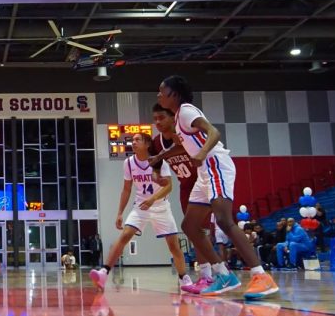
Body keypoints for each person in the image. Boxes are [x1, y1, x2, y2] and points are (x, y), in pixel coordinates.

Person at [155, 78, 278, 299]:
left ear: (173, 94)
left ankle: (262, 277)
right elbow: (182, 145)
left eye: (161, 92)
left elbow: (214, 132)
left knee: (223, 219)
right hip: (204, 174)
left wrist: (201, 154)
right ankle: (223, 274)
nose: (158, 95)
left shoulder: (186, 111)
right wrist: (159, 156)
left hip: (215, 165)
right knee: (190, 226)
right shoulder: (178, 117)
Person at [91, 132, 193, 292]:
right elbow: (126, 189)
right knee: (124, 235)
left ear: (147, 144)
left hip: (161, 207)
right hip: (140, 206)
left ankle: (183, 279)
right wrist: (119, 213)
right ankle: (104, 272)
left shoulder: (158, 161)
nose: (134, 142)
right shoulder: (129, 163)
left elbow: (169, 186)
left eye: (138, 140)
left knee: (173, 245)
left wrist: (152, 199)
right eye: (133, 140)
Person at [150, 104, 221, 293]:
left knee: (215, 227)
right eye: (155, 118)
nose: (157, 122)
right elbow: (156, 161)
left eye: (161, 118)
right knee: (193, 231)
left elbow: (182, 146)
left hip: (204, 180)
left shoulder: (185, 134)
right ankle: (207, 275)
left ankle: (220, 271)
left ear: (173, 118)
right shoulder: (157, 142)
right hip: (186, 187)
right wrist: (157, 174)